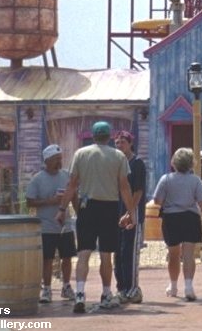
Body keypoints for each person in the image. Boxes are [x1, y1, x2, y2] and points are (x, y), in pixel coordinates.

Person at [56, 121, 136, 314]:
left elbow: (72, 184)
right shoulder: (118, 156)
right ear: (109, 136)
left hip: (87, 206)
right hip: (109, 206)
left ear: (93, 136)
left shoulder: (81, 154)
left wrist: (62, 208)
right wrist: (131, 212)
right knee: (106, 254)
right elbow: (124, 186)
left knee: (83, 252)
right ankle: (106, 293)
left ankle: (81, 293)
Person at [153, 147, 202, 301]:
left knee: (173, 255)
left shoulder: (165, 179)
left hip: (171, 218)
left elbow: (157, 201)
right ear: (191, 164)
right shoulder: (195, 180)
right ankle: (188, 286)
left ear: (174, 163)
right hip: (190, 217)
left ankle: (173, 286)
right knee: (188, 255)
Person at [25, 144, 77, 304]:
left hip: (65, 225)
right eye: (55, 159)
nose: (59, 162)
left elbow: (74, 194)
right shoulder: (37, 179)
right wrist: (50, 201)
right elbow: (29, 201)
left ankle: (67, 286)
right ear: (47, 161)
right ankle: (46, 289)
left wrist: (78, 211)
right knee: (47, 258)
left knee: (67, 257)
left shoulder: (67, 176)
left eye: (60, 159)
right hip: (47, 226)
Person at [113, 130, 146, 304]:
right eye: (117, 143)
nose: (119, 145)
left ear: (130, 143)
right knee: (118, 251)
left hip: (132, 213)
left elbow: (138, 190)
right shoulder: (115, 163)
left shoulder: (137, 163)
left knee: (130, 252)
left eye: (122, 142)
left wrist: (129, 212)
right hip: (116, 212)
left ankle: (133, 288)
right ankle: (121, 288)